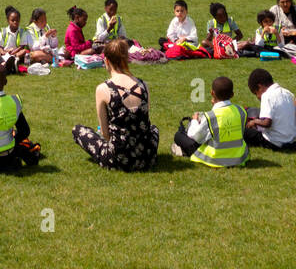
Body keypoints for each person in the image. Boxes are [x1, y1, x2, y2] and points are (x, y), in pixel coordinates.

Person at [72, 38, 159, 171]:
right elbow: (145, 121)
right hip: (146, 156)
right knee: (154, 129)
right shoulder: (143, 85)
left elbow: (106, 134)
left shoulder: (103, 89)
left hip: (118, 158)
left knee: (78, 130)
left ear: (106, 60)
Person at [171, 75, 249, 167]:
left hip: (216, 158)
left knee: (179, 136)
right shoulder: (241, 111)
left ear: (212, 93)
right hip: (238, 157)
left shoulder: (211, 116)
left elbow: (194, 136)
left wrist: (195, 121)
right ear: (232, 94)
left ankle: (183, 150)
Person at [244, 70, 296, 150]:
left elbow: (267, 123)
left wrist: (254, 121)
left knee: (243, 132)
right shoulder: (287, 93)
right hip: (291, 140)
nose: (257, 97)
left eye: (256, 93)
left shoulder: (266, 96)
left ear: (260, 86)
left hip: (275, 142)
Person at [0, 6, 33, 72]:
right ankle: (9, 63)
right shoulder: (4, 31)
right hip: (6, 52)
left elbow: (21, 46)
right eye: (12, 20)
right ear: (8, 21)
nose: (15, 22)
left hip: (16, 53)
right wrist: (4, 52)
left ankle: (12, 61)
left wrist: (13, 53)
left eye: (17, 20)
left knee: (24, 51)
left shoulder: (22, 32)